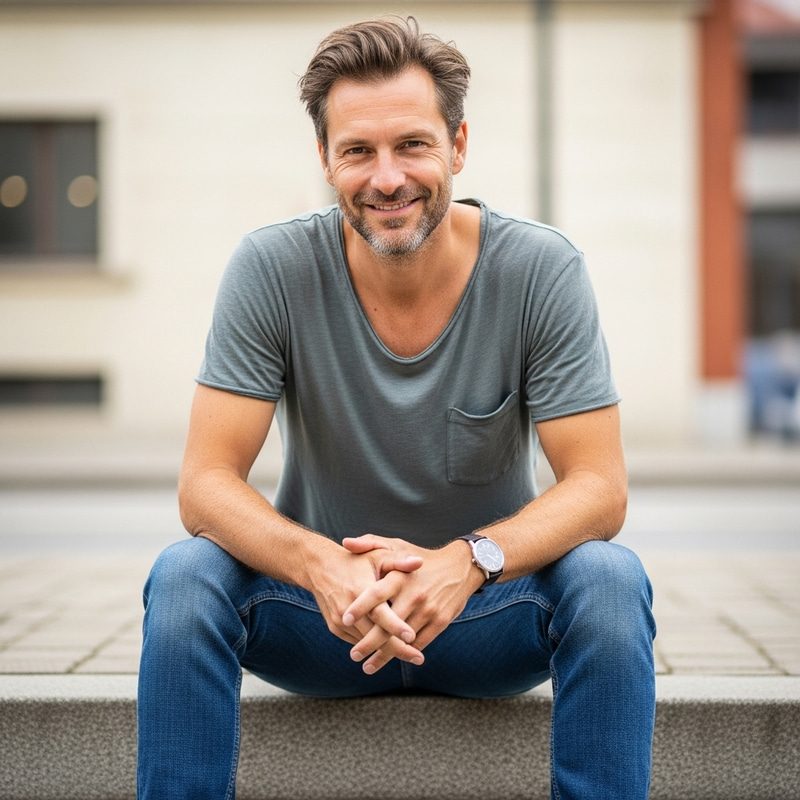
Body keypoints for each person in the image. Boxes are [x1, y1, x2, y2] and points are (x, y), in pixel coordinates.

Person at [137, 15, 656, 800]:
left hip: (484, 617)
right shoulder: (271, 268)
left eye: (412, 144)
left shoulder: (540, 271)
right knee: (185, 576)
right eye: (357, 151)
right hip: (322, 620)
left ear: (458, 146)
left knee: (610, 580)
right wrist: (321, 566)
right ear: (324, 160)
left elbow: (600, 489)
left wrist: (468, 563)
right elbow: (205, 484)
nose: (387, 178)